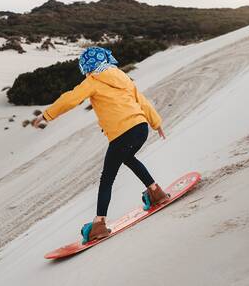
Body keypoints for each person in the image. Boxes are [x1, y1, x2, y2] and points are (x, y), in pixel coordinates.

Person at [31, 46, 168, 243]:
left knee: (107, 178)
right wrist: (157, 123)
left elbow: (70, 99)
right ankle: (156, 192)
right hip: (141, 128)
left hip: (122, 134)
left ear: (87, 67)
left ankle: (99, 224)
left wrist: (47, 114)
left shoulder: (92, 81)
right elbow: (143, 101)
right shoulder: (123, 78)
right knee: (128, 158)